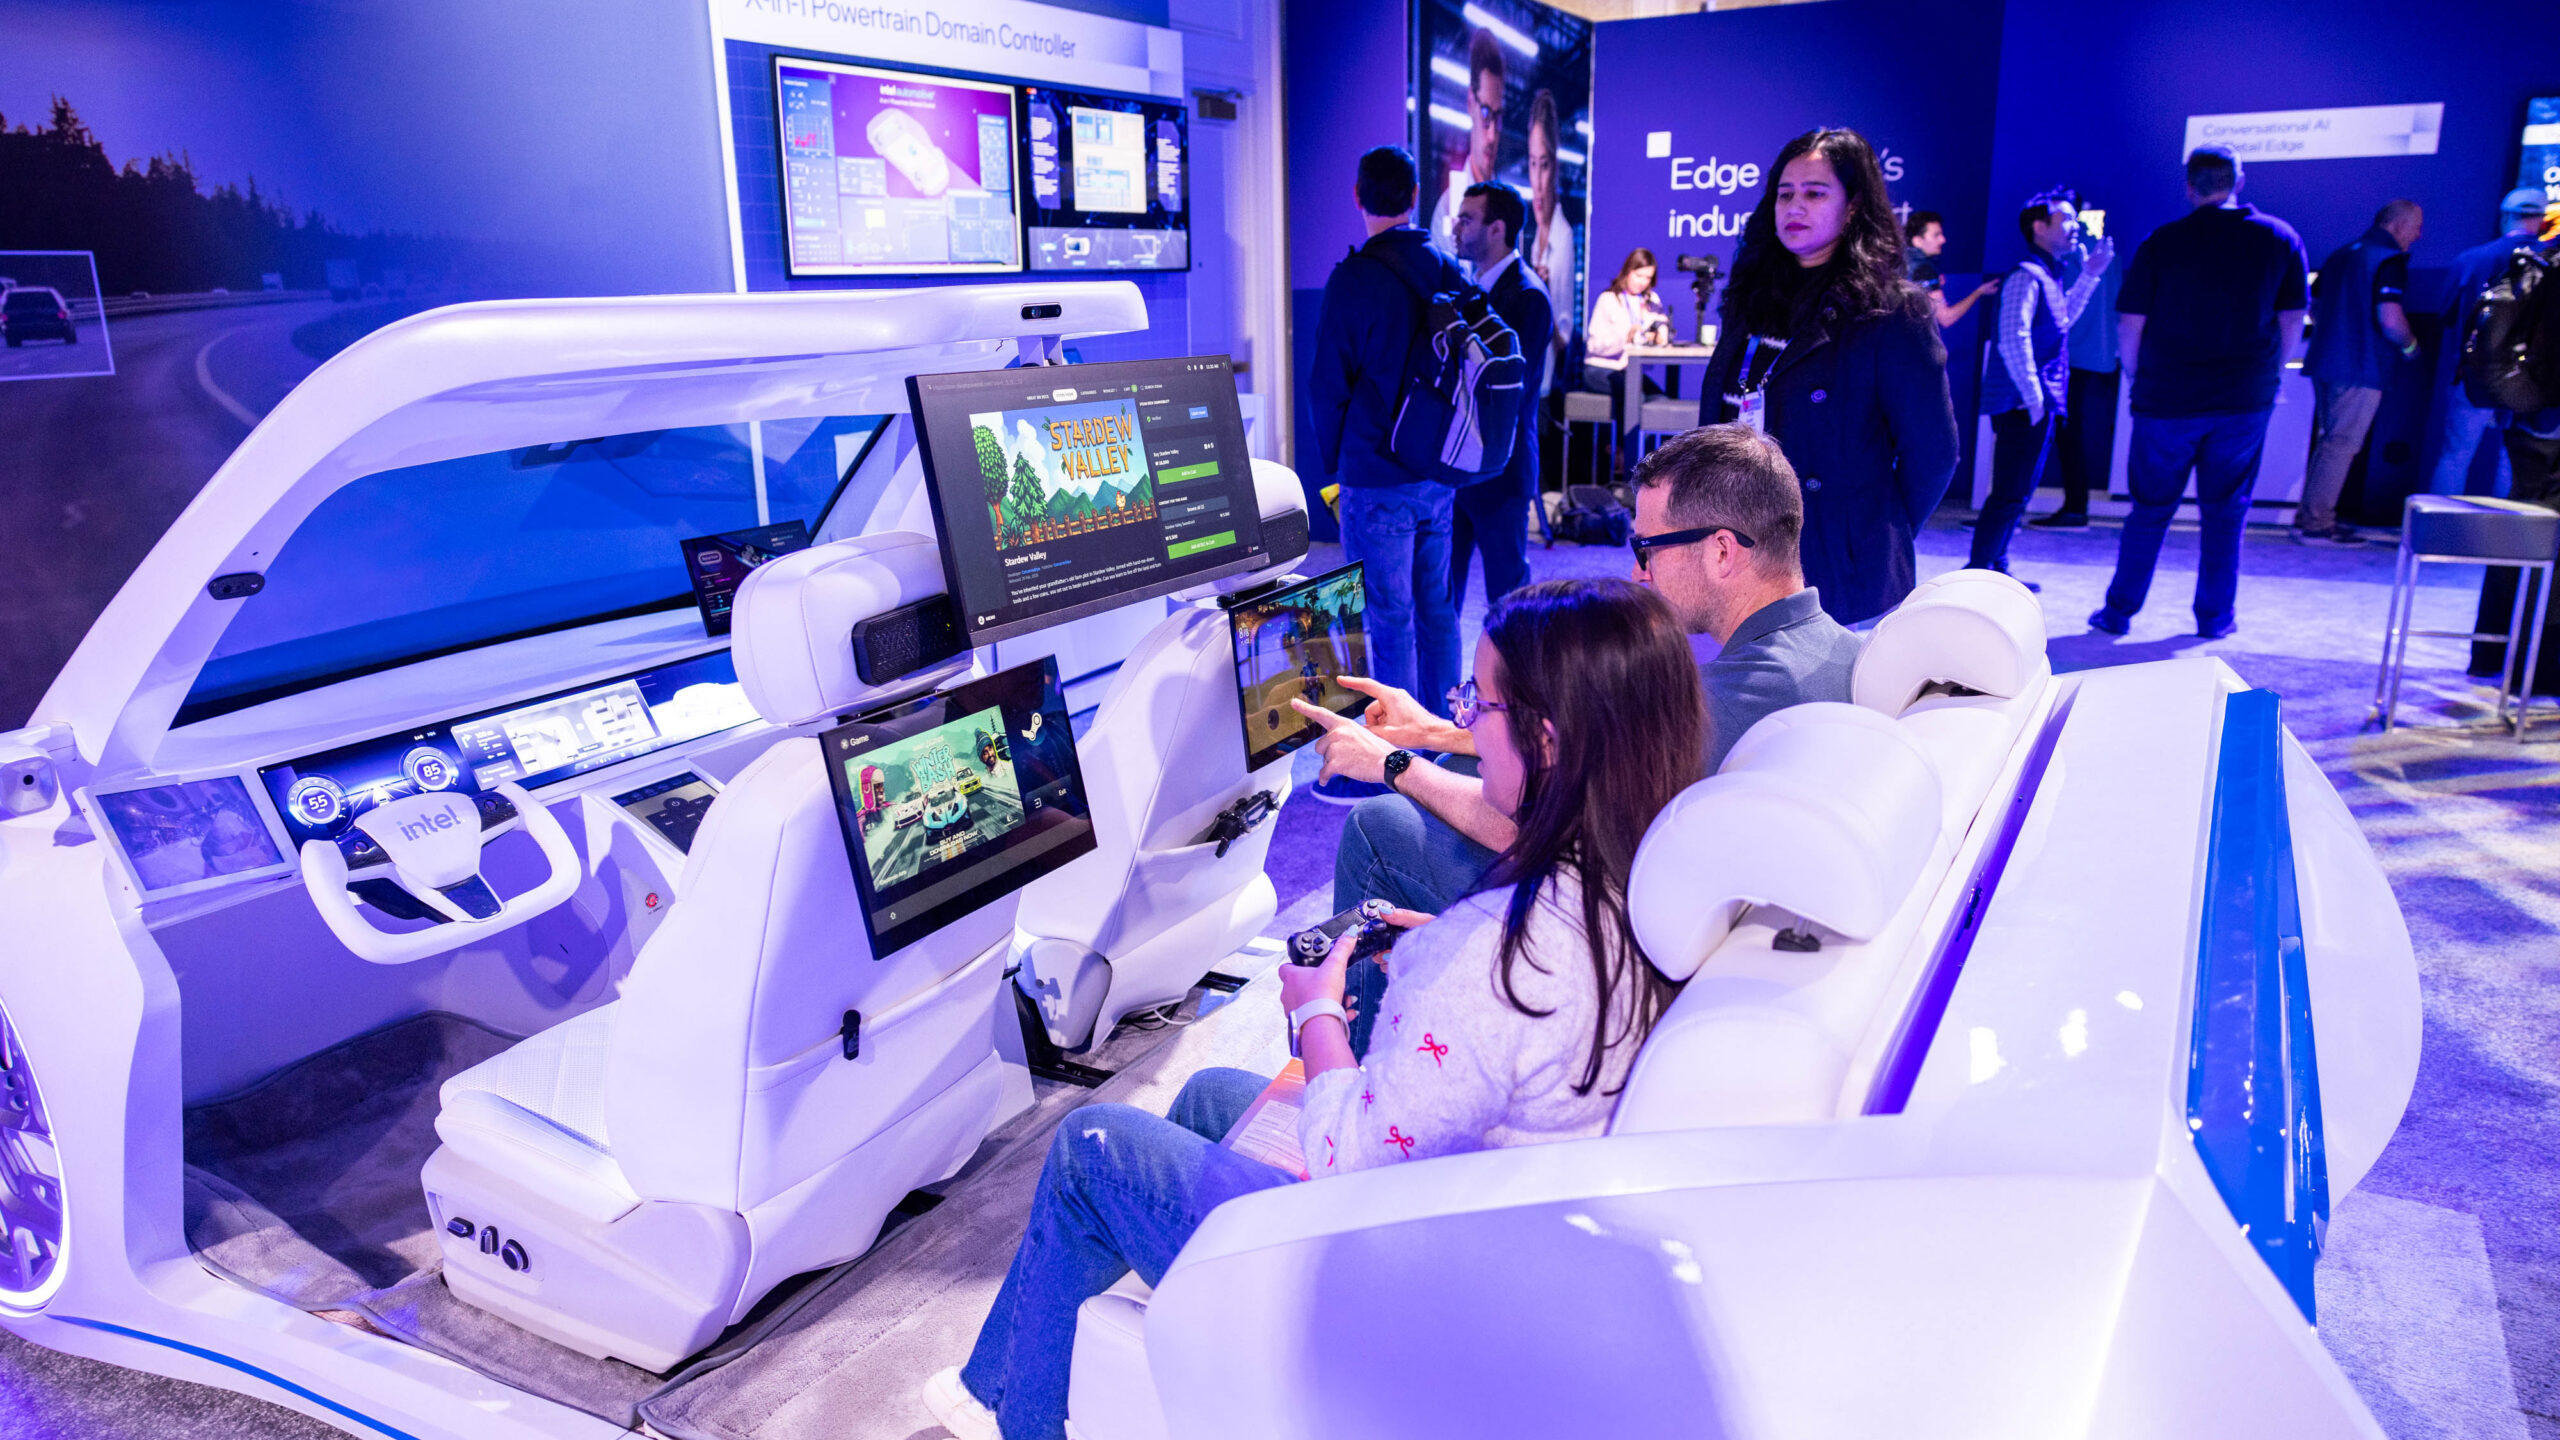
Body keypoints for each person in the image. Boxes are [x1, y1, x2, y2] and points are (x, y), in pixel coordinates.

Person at [923, 579, 1706, 1440]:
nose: (1470, 727)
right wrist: (1437, 947)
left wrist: (1317, 1012)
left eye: (1481, 706)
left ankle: (1019, 1412)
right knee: (1210, 1097)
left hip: (1405, 1292)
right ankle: (1079, 1372)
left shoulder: (1499, 955)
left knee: (1091, 1148)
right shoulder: (1649, 870)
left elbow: (1348, 1164)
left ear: (1547, 738)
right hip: (1492, 1234)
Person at [1328, 424, 1862, 916]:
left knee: (1377, 827)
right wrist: (1429, 731)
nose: (1636, 571)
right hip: (1704, 887)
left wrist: (1395, 764)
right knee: (1463, 764)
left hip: (1618, 916)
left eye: (1647, 548)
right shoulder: (1832, 648)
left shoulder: (1723, 702)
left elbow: (1549, 834)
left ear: (1722, 551)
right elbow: (1598, 743)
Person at [1695, 126, 1961, 627]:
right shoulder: (1750, 296)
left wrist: (1871, 528)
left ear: (1854, 206)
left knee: (1828, 702)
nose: (1795, 207)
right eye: (1785, 194)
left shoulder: (1891, 310)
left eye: (1816, 194)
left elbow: (1934, 453)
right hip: (1745, 548)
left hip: (1842, 567)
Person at [2088, 146, 2307, 640]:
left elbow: (2130, 322)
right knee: (2226, 513)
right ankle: (2215, 620)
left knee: (2149, 510)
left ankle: (2118, 613)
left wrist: (2136, 376)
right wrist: (2272, 375)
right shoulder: (2280, 238)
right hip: (2243, 399)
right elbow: (2292, 320)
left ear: (2189, 186)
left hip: (2166, 399)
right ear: (2239, 181)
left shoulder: (2162, 243)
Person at [1308, 145, 1467, 752]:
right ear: (1416, 195)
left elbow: (1329, 383)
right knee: (1438, 607)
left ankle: (1395, 751)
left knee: (1388, 615)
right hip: (1439, 471)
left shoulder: (1352, 278)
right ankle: (1445, 738)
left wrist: (1338, 464)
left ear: (1358, 196)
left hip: (1374, 475)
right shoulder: (1451, 270)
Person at [1969, 189, 2115, 583]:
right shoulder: (2025, 275)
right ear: (2039, 226)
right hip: (2022, 403)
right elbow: (2012, 337)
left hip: (2036, 402)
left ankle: (1994, 566)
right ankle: (1980, 571)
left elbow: (2062, 320)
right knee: (2009, 492)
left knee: (2018, 492)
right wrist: (2034, 399)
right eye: (2066, 219)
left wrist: (2091, 274)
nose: (2075, 227)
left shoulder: (2048, 273)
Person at [2296, 199, 2425, 544]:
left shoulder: (2341, 254)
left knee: (2329, 442)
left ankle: (2310, 516)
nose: (2419, 234)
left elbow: (2314, 305)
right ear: (2397, 225)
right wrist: (2412, 347)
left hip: (2325, 360)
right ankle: (2318, 523)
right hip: (2361, 364)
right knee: (2341, 444)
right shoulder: (2388, 260)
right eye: (2415, 227)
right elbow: (2390, 317)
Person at [1450, 182, 1553, 609]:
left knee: (1507, 603)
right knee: (1442, 597)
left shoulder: (1528, 296)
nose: (1456, 227)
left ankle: (1511, 680)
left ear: (1497, 229)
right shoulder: (1466, 288)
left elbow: (1508, 394)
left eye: (1466, 218)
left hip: (1501, 470)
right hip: (1457, 467)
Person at [2427, 188, 2549, 498]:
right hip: (2528, 380)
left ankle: (2441, 531)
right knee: (2513, 460)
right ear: (2541, 219)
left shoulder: (2470, 260)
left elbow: (2447, 315)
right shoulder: (2550, 263)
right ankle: (2501, 537)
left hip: (2473, 374)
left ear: (2505, 216)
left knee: (2455, 455)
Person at [2029, 193, 2127, 529]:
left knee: (2064, 433)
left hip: (2069, 356)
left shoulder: (2072, 255)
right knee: (2070, 432)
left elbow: (2060, 314)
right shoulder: (2106, 254)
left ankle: (2075, 508)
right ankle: (2074, 506)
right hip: (2098, 356)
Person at [1583, 248, 1673, 479]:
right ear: (1627, 271)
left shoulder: (1652, 301)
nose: (1643, 282)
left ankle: (1655, 463)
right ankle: (1623, 457)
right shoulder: (1608, 299)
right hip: (1601, 368)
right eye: (1639, 275)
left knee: (1661, 400)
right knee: (1632, 395)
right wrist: (1626, 335)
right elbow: (1595, 346)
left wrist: (1659, 336)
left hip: (1629, 370)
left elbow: (1661, 331)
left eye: (1648, 278)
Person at [1429, 28, 1506, 253]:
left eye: (1498, 116)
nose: (1492, 135)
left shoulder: (1508, 206)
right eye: (1485, 113)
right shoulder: (1448, 207)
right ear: (1471, 103)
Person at [1525, 90, 1579, 370]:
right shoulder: (1533, 239)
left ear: (1555, 167)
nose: (1537, 180)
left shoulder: (1564, 237)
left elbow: (1563, 340)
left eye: (1544, 165)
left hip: (1545, 381)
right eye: (1532, 164)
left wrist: (1539, 292)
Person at [1906, 211, 1999, 330]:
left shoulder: (1902, 262)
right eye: (1936, 235)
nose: (1943, 240)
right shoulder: (1925, 269)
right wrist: (1979, 292)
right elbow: (1946, 318)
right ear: (1918, 241)